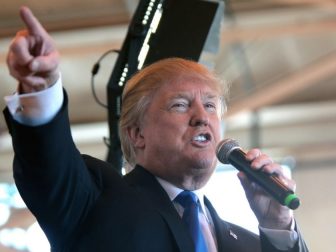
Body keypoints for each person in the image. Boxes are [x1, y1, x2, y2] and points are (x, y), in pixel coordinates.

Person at [3, 6, 309, 252]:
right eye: (180, 105)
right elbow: (50, 164)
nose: (202, 117)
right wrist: (41, 90)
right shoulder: (97, 198)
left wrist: (279, 227)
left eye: (211, 105)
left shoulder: (247, 243)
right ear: (137, 133)